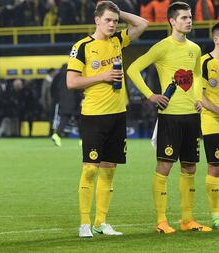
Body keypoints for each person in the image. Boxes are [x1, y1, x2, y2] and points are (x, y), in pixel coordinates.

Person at [127, 1, 212, 234]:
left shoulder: (195, 49)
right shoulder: (162, 47)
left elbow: (195, 75)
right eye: (184, 17)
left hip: (191, 116)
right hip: (169, 116)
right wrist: (150, 95)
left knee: (190, 167)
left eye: (190, 17)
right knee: (164, 165)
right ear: (172, 21)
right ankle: (161, 221)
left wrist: (197, 98)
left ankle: (187, 220)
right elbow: (133, 68)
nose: (189, 20)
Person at [66, 1, 148, 238]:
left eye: (115, 21)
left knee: (109, 169)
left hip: (117, 114)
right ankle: (84, 224)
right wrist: (102, 76)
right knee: (90, 169)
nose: (112, 24)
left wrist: (118, 11)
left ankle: (101, 222)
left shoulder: (117, 41)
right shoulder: (82, 46)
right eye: (108, 20)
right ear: (97, 20)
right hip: (93, 115)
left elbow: (143, 23)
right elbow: (71, 82)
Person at [200, 23, 219, 229]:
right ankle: (216, 215)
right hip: (212, 120)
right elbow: (200, 94)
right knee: (215, 166)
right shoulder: (204, 62)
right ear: (216, 39)